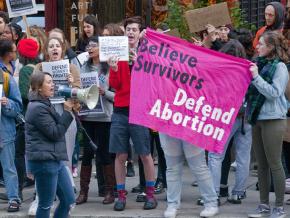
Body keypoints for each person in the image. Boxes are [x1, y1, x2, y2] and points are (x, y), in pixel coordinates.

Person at [108, 16, 157, 211]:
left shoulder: (147, 54)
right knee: (120, 155)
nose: (130, 32)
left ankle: (150, 195)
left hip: (139, 111)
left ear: (140, 33)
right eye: (128, 29)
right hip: (120, 110)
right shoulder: (118, 54)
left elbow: (151, 83)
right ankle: (121, 196)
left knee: (145, 155)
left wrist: (140, 64)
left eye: (134, 30)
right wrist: (112, 69)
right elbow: (116, 86)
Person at [247, 31, 289, 218]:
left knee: (275, 164)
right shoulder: (259, 64)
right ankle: (263, 206)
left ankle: (278, 208)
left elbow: (274, 92)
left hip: (273, 119)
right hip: (257, 118)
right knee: (261, 166)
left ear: (271, 47)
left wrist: (256, 77)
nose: (257, 47)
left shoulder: (280, 67)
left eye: (261, 44)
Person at [25, 71, 75, 218]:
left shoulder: (44, 103)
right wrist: (66, 112)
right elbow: (55, 132)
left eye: (52, 81)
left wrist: (70, 111)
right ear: (39, 87)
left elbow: (58, 126)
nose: (53, 84)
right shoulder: (37, 108)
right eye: (48, 82)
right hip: (44, 162)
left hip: (54, 159)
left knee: (68, 200)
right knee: (45, 204)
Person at [208, 39, 252, 204]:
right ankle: (239, 192)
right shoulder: (249, 69)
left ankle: (214, 194)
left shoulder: (222, 71)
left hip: (225, 116)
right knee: (243, 156)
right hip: (246, 117)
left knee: (215, 155)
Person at [76, 36, 115, 205]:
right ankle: (83, 192)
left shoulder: (110, 68)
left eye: (94, 45)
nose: (90, 48)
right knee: (87, 155)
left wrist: (104, 92)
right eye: (88, 45)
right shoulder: (82, 68)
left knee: (104, 154)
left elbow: (117, 95)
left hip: (105, 117)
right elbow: (77, 91)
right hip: (87, 116)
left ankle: (109, 191)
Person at [160, 133, 219, 218]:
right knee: (172, 169)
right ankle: (172, 205)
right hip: (168, 126)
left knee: (199, 168)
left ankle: (211, 203)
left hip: (191, 126)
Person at [16, 38, 40, 200]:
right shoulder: (39, 67)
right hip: (39, 116)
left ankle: (20, 185)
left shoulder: (25, 70)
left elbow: (25, 95)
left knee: (19, 153)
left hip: (26, 117)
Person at [0, 39, 22, 212]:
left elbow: (18, 107)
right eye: (14, 51)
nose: (16, 54)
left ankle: (14, 198)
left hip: (4, 131)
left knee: (8, 166)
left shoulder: (6, 77)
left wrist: (6, 103)